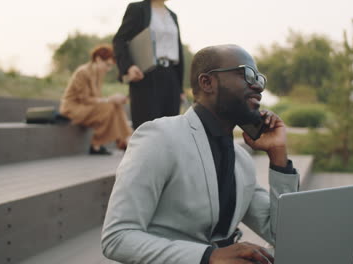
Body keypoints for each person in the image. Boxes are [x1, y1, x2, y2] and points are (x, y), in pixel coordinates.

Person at [101, 45, 300, 264]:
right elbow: (117, 237)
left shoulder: (242, 161)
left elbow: (282, 235)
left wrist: (278, 155)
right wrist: (208, 257)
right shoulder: (160, 137)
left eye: (260, 79)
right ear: (207, 83)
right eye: (247, 75)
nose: (257, 87)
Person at [113, 0, 185, 130]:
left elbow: (178, 50)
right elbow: (119, 40)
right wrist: (128, 66)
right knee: (147, 128)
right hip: (146, 74)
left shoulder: (172, 15)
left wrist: (180, 88)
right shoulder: (137, 9)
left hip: (171, 76)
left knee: (171, 128)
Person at [59, 45, 132, 155]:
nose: (108, 69)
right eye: (107, 65)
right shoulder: (82, 72)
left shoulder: (98, 73)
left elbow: (96, 99)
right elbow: (84, 99)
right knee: (109, 106)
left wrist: (112, 100)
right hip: (73, 108)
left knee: (115, 105)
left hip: (87, 107)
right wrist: (109, 99)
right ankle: (98, 144)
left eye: (111, 66)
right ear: (98, 59)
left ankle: (126, 140)